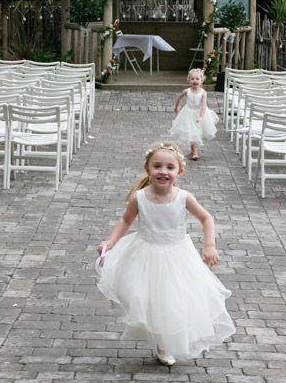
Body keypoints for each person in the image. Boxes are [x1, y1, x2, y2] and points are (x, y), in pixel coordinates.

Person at [95, 141, 235, 366]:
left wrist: (210, 246)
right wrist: (111, 241)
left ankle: (163, 344)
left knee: (172, 301)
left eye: (170, 167)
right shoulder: (139, 197)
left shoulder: (183, 197)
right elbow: (125, 220)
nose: (163, 171)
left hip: (176, 256)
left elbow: (206, 218)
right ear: (147, 169)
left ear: (179, 171)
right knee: (142, 297)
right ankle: (155, 333)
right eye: (157, 166)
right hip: (144, 254)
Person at [169, 68, 219, 160]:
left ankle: (194, 149)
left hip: (199, 113)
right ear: (189, 80)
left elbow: (203, 105)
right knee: (192, 131)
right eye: (192, 79)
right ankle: (194, 151)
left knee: (197, 131)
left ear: (201, 80)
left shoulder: (203, 93)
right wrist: (176, 107)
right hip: (188, 113)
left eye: (197, 79)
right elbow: (179, 98)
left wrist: (201, 116)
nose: (195, 81)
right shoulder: (187, 91)